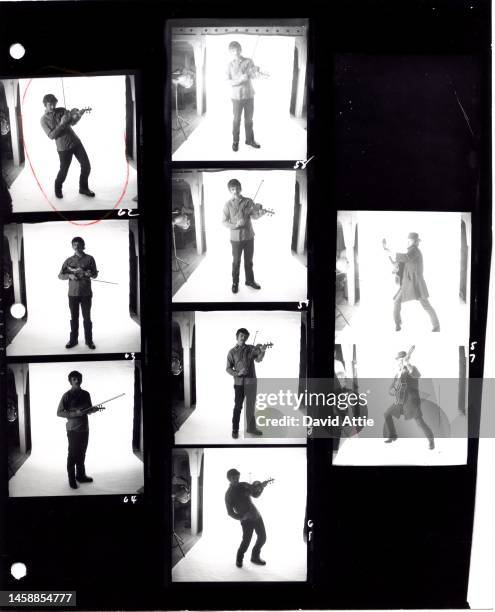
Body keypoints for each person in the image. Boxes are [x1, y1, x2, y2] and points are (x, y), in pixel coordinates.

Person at [40, 94, 95, 200]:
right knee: (64, 170)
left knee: (86, 166)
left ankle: (83, 188)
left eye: (54, 104)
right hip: (63, 148)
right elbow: (51, 136)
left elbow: (72, 122)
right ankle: (58, 188)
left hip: (75, 142)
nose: (53, 107)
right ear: (45, 105)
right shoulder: (43, 120)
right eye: (50, 105)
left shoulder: (61, 110)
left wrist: (78, 116)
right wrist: (61, 124)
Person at [383, 232, 440, 332]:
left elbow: (406, 258)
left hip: (416, 284)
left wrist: (391, 252)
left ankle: (436, 326)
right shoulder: (410, 251)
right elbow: (399, 263)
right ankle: (398, 323)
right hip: (408, 284)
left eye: (411, 240)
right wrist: (388, 253)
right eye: (408, 240)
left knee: (426, 305)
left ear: (416, 242)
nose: (408, 241)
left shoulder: (415, 250)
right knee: (396, 301)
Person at [57, 370, 101, 489]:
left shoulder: (86, 394)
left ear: (81, 380)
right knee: (72, 455)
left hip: (84, 429)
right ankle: (71, 479)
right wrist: (75, 413)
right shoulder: (67, 395)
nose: (76, 381)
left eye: (78, 379)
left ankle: (80, 476)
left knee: (82, 453)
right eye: (74, 379)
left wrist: (93, 410)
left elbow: (88, 410)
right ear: (70, 381)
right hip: (73, 430)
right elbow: (59, 412)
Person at [222, 178, 267, 294]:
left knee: (249, 260)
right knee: (236, 261)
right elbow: (223, 222)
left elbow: (254, 216)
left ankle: (250, 281)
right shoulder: (227, 205)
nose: (235, 191)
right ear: (230, 191)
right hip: (235, 238)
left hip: (249, 237)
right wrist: (235, 224)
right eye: (232, 189)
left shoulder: (248, 201)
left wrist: (260, 214)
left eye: (237, 188)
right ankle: (235, 282)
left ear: (240, 188)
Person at [384, 350, 435, 449]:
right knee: (387, 414)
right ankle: (393, 435)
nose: (399, 362)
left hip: (411, 402)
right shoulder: (398, 373)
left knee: (420, 422)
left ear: (405, 359)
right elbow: (391, 389)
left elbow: (417, 375)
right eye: (398, 360)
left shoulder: (411, 369)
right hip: (399, 401)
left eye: (400, 359)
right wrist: (392, 390)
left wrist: (407, 364)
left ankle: (431, 440)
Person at [226, 328, 267, 438]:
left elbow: (258, 360)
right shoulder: (232, 352)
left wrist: (262, 351)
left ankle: (251, 428)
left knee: (250, 406)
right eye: (241, 336)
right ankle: (235, 429)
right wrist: (238, 373)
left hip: (251, 382)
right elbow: (228, 368)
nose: (243, 338)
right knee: (238, 406)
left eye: (245, 336)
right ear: (237, 336)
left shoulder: (251, 349)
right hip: (239, 383)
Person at [58, 237, 98, 349]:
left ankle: (89, 341)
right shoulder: (68, 260)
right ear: (72, 246)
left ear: (83, 245)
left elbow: (95, 274)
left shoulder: (90, 259)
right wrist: (69, 275)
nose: (77, 247)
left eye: (79, 244)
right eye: (74, 244)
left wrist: (90, 274)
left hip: (86, 294)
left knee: (87, 318)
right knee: (74, 318)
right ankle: (73, 340)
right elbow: (60, 275)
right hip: (73, 294)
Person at [225, 468, 267, 568]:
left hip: (256, 515)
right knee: (246, 541)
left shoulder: (244, 484)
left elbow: (255, 495)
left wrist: (261, 488)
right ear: (229, 479)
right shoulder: (228, 494)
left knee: (262, 537)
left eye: (237, 477)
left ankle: (255, 557)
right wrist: (242, 517)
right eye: (234, 478)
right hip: (246, 520)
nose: (237, 480)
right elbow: (230, 512)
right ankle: (239, 559)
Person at [226, 41, 261, 152]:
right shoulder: (229, 65)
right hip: (236, 97)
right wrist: (239, 79)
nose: (235, 52)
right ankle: (235, 141)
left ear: (240, 50)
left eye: (237, 49)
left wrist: (256, 71)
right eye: (233, 50)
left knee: (249, 120)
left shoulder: (249, 61)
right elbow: (228, 82)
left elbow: (254, 75)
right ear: (230, 52)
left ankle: (249, 140)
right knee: (236, 120)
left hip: (249, 95)